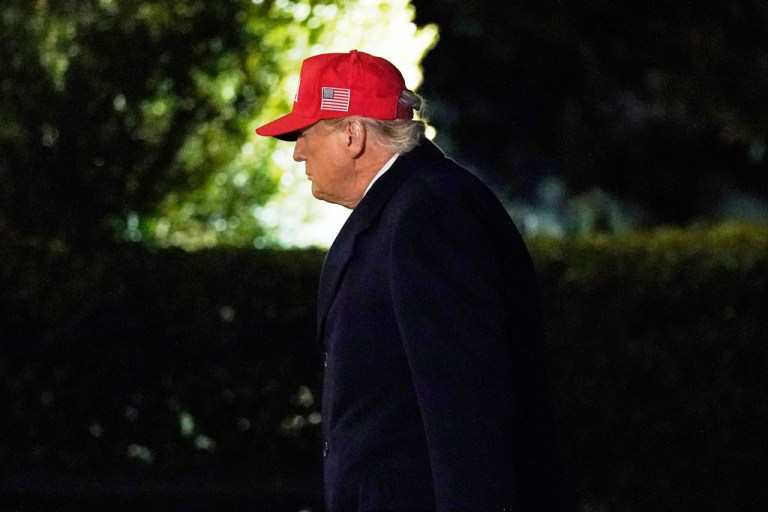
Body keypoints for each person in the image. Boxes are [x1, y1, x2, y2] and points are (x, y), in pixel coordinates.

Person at [256, 50, 569, 512]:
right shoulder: (409, 205)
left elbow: (466, 401)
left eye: (304, 133)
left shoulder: (427, 213)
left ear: (352, 134)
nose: (298, 151)